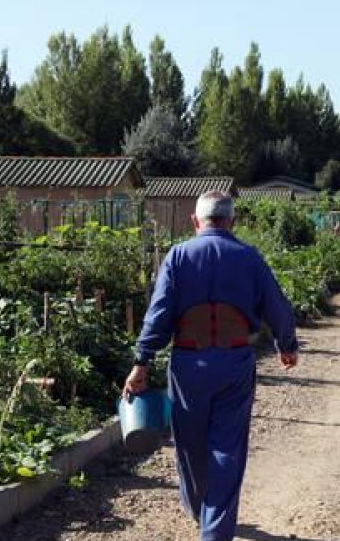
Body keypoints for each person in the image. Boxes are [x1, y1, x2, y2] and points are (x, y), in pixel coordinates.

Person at [123, 190, 299, 541]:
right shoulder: (249, 258)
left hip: (188, 363)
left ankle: (199, 508)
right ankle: (214, 527)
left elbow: (158, 316)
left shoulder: (178, 256)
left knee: (189, 444)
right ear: (232, 222)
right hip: (234, 361)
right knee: (227, 449)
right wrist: (287, 345)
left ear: (195, 221)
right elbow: (277, 305)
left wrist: (141, 361)